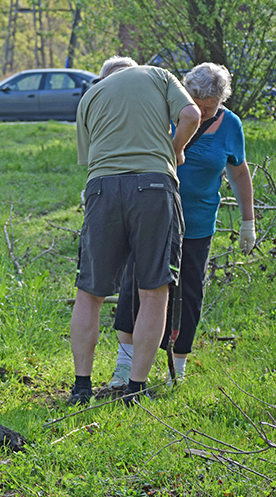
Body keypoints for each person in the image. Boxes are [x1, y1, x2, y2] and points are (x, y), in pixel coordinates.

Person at [107, 63, 256, 389]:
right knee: (136, 284)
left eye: (209, 107)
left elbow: (240, 172)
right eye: (196, 104)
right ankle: (124, 365)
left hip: (197, 222)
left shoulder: (230, 126)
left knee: (189, 293)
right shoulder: (162, 111)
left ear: (220, 102)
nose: (201, 113)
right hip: (151, 214)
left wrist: (249, 221)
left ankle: (178, 368)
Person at [70, 56, 201, 406]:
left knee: (89, 293)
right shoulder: (158, 75)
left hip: (102, 188)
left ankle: (81, 388)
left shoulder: (90, 96)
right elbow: (190, 115)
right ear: (134, 68)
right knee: (154, 291)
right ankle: (135, 388)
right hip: (154, 188)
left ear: (106, 76)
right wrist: (174, 151)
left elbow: (90, 159)